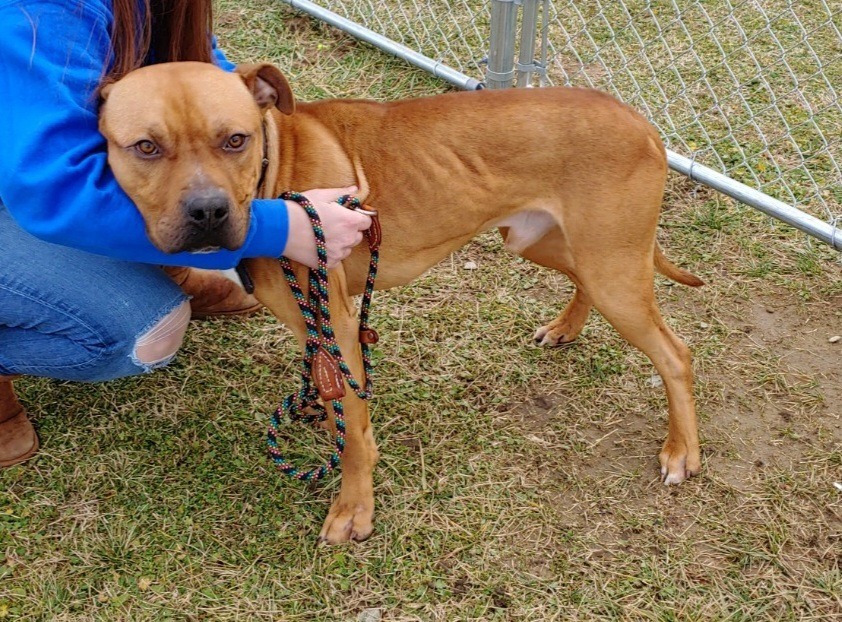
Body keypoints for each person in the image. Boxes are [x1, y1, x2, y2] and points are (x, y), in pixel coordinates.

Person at [0, 0, 373, 467]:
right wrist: (279, 226)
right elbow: (50, 189)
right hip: (24, 186)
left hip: (22, 170)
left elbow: (198, 68)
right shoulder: (40, 11)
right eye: (149, 148)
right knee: (137, 332)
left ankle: (167, 263)